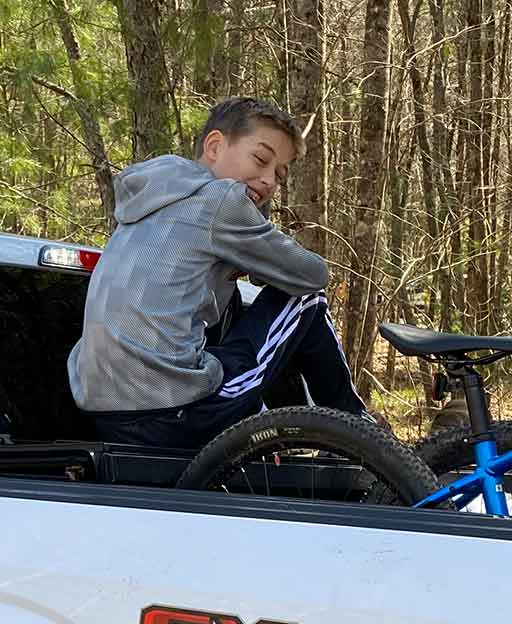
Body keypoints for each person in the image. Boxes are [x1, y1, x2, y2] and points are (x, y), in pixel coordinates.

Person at [68, 96, 370, 449]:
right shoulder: (222, 200)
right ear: (214, 145)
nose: (269, 180)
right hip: (177, 409)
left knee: (227, 306)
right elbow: (312, 274)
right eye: (261, 159)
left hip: (105, 414)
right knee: (306, 299)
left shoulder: (148, 201)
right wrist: (259, 263)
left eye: (280, 174)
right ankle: (359, 435)